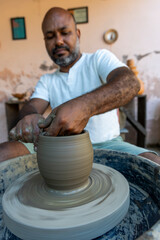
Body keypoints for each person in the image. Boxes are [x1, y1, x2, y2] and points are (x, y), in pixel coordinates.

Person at [0, 7, 160, 164]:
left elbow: (130, 83)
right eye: (50, 36)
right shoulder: (47, 80)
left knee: (153, 164)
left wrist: (84, 107)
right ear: (45, 42)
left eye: (64, 32)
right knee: (4, 153)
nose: (58, 41)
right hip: (60, 149)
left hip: (110, 145)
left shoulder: (98, 59)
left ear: (77, 34)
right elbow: (32, 107)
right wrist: (29, 118)